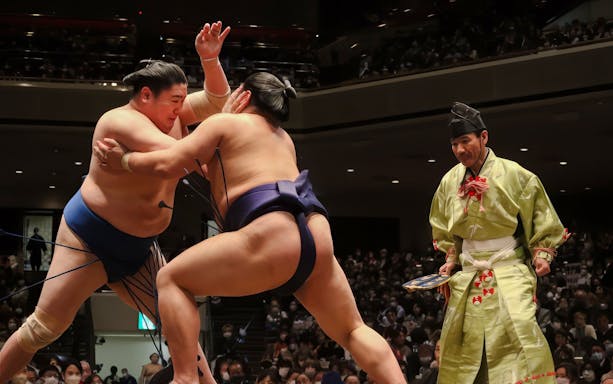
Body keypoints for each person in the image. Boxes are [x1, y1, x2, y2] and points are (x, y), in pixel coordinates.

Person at [94, 71, 407, 384]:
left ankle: (186, 378)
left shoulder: (224, 124)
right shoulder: (283, 137)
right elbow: (210, 166)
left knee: (170, 278)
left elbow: (169, 163)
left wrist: (125, 160)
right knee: (352, 329)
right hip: (314, 231)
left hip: (273, 230)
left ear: (242, 95)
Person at [0, 21, 232, 384]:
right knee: (42, 329)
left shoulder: (173, 115)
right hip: (89, 237)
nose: (179, 109)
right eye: (174, 101)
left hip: (140, 247)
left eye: (181, 101)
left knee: (179, 323)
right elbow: (181, 157)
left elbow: (218, 102)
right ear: (145, 95)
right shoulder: (118, 122)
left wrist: (210, 61)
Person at [429, 102, 568, 383]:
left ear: (484, 137)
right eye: (454, 144)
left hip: (509, 267)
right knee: (460, 340)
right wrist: (451, 258)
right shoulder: (448, 181)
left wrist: (542, 254)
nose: (459, 150)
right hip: (468, 274)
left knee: (520, 329)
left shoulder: (516, 174)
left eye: (465, 141)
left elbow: (540, 216)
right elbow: (443, 226)